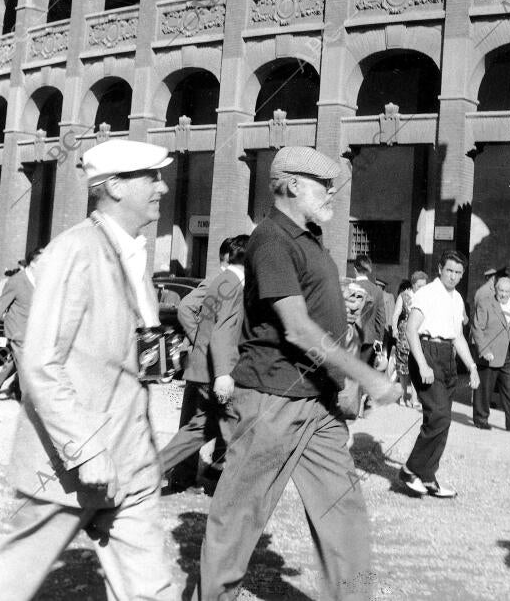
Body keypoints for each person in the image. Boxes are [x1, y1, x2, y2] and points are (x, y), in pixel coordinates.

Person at [193, 146, 401, 601]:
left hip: (317, 404)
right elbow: (299, 329)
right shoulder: (270, 240)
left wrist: (343, 382)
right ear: (290, 185)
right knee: (238, 522)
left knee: (344, 517)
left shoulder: (309, 239)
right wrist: (367, 377)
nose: (332, 194)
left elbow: (327, 323)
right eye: (323, 185)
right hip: (270, 401)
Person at [0, 139, 179, 601]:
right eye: (151, 177)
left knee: (150, 588)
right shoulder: (74, 252)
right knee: (6, 581)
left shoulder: (132, 252)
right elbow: (41, 362)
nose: (162, 187)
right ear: (113, 188)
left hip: (130, 460)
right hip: (69, 466)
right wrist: (86, 450)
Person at [160, 234, 249, 492]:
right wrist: (205, 346)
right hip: (215, 370)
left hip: (207, 368)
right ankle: (234, 490)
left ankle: (149, 471)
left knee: (199, 428)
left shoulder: (225, 281)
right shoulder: (229, 283)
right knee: (237, 427)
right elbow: (220, 328)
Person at [401, 250, 479, 499]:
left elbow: (457, 337)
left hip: (447, 355)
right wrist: (422, 365)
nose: (453, 276)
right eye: (449, 271)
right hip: (426, 351)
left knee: (442, 422)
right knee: (439, 415)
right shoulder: (428, 293)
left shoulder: (456, 298)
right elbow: (411, 330)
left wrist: (473, 367)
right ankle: (410, 469)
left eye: (458, 273)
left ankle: (427, 476)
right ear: (440, 269)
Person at [0, 247, 43, 403]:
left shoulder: (42, 280)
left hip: (33, 330)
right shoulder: (16, 281)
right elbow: (1, 304)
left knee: (16, 362)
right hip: (17, 329)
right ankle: (28, 399)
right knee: (26, 363)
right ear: (34, 263)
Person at [471, 275, 510, 431]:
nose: (503, 294)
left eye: (506, 291)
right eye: (500, 290)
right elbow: (477, 328)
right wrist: (484, 349)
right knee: (485, 389)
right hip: (490, 354)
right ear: (495, 289)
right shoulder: (485, 303)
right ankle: (481, 419)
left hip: (509, 354)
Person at [392, 270, 428, 408]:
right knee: (403, 366)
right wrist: (394, 329)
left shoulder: (427, 298)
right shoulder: (404, 296)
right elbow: (395, 315)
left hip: (420, 334)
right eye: (419, 286)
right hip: (405, 335)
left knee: (417, 365)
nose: (422, 289)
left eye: (424, 285)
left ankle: (414, 398)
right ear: (413, 285)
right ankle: (402, 395)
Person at [352, 254, 386, 367]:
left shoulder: (350, 287)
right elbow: (381, 320)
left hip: (350, 338)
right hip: (370, 340)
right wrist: (379, 344)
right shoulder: (377, 291)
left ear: (354, 269)